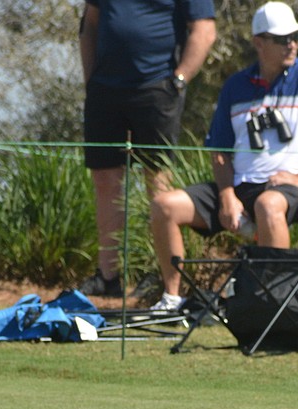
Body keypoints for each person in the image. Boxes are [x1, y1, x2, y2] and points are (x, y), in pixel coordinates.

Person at [149, 2, 298, 313]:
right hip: (240, 186)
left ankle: (274, 306)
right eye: (283, 39)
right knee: (164, 205)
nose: (292, 44)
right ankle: (172, 301)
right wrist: (227, 194)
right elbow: (219, 151)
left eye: (295, 37)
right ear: (259, 42)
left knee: (268, 204)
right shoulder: (235, 87)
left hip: (291, 189)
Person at [79, 0, 217, 298]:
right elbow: (90, 25)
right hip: (105, 90)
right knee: (105, 180)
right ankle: (108, 276)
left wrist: (178, 81)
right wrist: (90, 80)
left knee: (158, 182)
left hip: (157, 88)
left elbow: (204, 31)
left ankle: (161, 276)